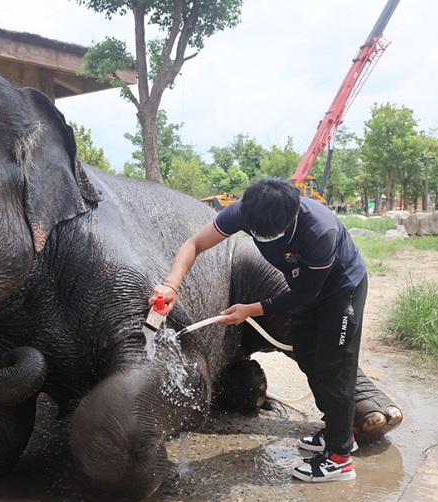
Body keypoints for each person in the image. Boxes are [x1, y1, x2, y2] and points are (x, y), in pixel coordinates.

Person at [149, 177, 368, 483]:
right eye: (257, 233)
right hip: (302, 288)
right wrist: (171, 284)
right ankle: (337, 430)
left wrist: (249, 309)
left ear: (292, 215)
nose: (266, 239)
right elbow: (194, 244)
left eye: (273, 234)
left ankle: (340, 457)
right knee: (306, 356)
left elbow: (306, 295)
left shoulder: (320, 230)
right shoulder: (244, 211)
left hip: (338, 291)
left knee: (334, 369)